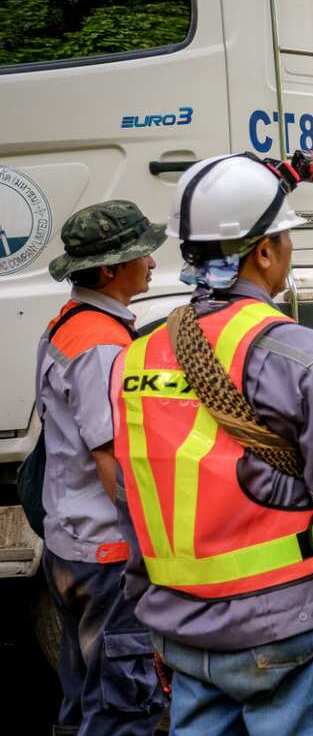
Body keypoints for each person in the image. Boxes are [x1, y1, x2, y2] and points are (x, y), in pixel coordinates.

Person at [110, 153, 313, 733]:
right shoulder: (301, 356)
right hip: (293, 627)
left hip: (185, 633)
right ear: (263, 252)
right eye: (284, 237)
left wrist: (154, 625)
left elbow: (137, 509)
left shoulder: (135, 359)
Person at [38, 201, 168, 735]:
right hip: (106, 551)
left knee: (82, 697)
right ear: (112, 269)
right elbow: (111, 455)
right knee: (124, 707)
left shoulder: (67, 325)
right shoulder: (102, 345)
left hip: (69, 542)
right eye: (143, 253)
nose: (154, 263)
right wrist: (150, 548)